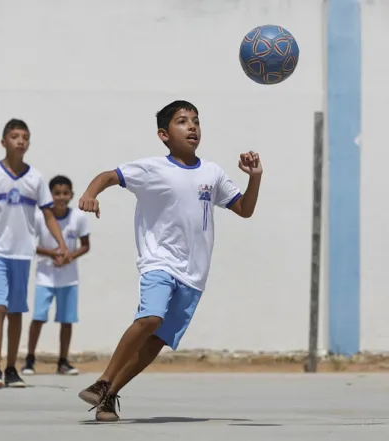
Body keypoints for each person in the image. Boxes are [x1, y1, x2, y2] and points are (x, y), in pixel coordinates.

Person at [76, 100, 263, 422]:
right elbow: (109, 176)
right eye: (182, 121)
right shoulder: (152, 169)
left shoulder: (212, 173)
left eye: (196, 121)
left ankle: (108, 397)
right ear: (164, 134)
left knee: (157, 340)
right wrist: (91, 193)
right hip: (159, 261)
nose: (192, 127)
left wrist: (255, 177)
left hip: (195, 273)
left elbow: (244, 209)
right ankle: (103, 380)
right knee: (150, 318)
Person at [0, 118, 70, 389]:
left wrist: (62, 244)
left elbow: (48, 216)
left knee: (15, 311)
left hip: (22, 254)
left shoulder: (35, 178)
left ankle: (12, 368)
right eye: (14, 136)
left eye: (24, 136)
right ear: (4, 142)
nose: (20, 141)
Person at [21, 175, 90, 376]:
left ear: (71, 195)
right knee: (39, 317)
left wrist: (69, 256)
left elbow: (85, 246)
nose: (61, 197)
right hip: (45, 277)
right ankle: (29, 359)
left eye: (65, 193)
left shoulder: (78, 217)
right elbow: (30, 244)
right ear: (50, 195)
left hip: (69, 278)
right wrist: (52, 254)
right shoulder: (39, 217)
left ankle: (63, 361)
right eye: (57, 193)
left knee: (66, 320)